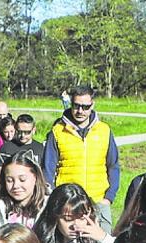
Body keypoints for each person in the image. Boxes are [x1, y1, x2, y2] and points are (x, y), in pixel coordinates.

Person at [43, 85, 119, 233]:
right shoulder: (57, 131)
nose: (80, 111)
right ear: (70, 103)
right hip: (68, 203)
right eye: (76, 106)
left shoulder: (104, 130)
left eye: (85, 107)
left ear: (93, 105)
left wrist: (108, 198)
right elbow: (48, 168)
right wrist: (53, 196)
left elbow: (113, 165)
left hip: (99, 201)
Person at [0, 152, 48, 241]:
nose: (16, 185)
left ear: (35, 177)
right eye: (9, 180)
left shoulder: (49, 208)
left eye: (22, 179)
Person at [0, 114, 45, 179]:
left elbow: (44, 172)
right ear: (15, 128)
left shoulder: (40, 148)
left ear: (34, 130)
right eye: (19, 131)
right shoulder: (6, 148)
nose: (22, 135)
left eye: (27, 132)